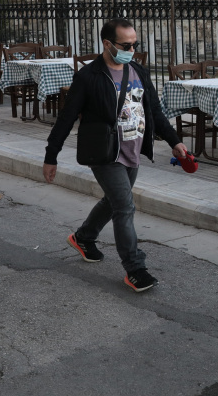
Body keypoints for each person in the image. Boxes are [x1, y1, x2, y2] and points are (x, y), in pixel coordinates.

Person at [43, 18, 187, 293]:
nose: (131, 50)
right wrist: (52, 156)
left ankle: (84, 238)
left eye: (135, 44)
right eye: (126, 45)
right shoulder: (89, 77)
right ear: (107, 44)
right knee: (124, 207)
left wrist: (175, 142)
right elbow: (66, 118)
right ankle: (135, 269)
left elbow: (154, 110)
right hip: (104, 153)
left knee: (113, 201)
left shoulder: (138, 72)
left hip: (132, 148)